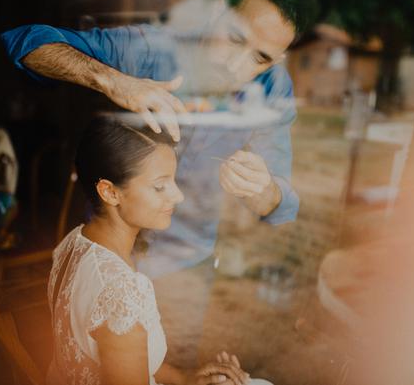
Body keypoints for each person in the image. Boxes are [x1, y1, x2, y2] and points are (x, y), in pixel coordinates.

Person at [1, 0, 317, 277]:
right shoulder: (153, 48)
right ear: (218, 10)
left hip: (189, 266)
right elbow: (27, 43)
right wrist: (113, 80)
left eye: (260, 58)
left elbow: (279, 207)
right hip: (107, 249)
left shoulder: (274, 87)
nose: (236, 67)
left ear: (279, 58)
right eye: (235, 37)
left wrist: (261, 189)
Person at [47, 116, 272, 385]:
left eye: (174, 181)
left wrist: (186, 379)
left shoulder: (73, 244)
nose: (178, 196)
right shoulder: (122, 295)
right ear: (110, 192)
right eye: (160, 186)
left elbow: (119, 358)